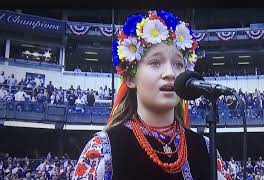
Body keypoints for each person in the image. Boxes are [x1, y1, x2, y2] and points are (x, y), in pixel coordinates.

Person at [72, 10, 226, 180]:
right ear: (130, 78)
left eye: (178, 64)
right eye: (155, 63)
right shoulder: (103, 148)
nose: (170, 73)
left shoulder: (206, 149)